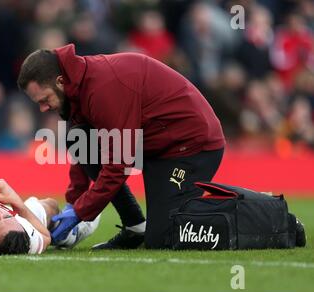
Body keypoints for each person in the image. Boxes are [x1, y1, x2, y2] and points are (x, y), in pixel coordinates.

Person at [17, 43, 225, 249]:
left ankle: (244, 211)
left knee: (163, 239)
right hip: (159, 147)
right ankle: (136, 228)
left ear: (60, 81)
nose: (43, 109)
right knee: (78, 137)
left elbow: (117, 167)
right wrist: (73, 201)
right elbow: (83, 148)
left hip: (192, 147)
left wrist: (80, 212)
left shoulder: (103, 91)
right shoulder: (77, 88)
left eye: (44, 100)